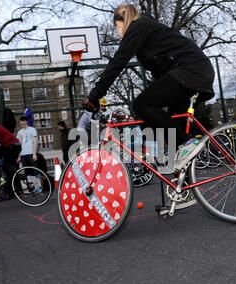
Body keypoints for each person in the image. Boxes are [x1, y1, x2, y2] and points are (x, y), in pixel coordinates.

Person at [83, 4, 215, 172]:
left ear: (122, 21)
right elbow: (162, 74)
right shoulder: (149, 29)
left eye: (117, 28)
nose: (118, 33)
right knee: (173, 135)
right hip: (193, 73)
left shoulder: (138, 25)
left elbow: (118, 61)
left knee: (142, 104)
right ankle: (182, 189)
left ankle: (188, 142)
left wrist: (95, 94)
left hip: (190, 71)